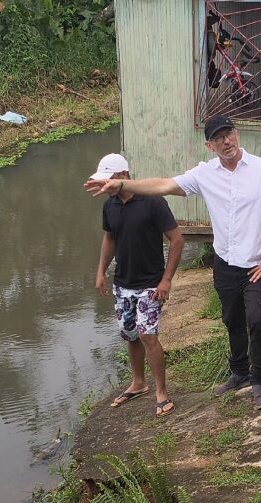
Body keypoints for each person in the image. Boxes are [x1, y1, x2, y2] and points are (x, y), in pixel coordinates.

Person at [85, 116, 261, 410]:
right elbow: (163, 185)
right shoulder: (204, 174)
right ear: (210, 145)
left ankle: (259, 380)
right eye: (219, 138)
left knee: (258, 318)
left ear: (237, 135)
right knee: (231, 319)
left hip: (256, 264)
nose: (227, 141)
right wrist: (122, 183)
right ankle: (239, 373)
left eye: (230, 134)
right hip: (224, 262)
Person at [90, 153, 185, 417]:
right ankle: (138, 383)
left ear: (123, 177)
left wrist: (166, 280)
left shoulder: (153, 201)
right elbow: (109, 238)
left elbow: (177, 240)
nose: (104, 186)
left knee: (148, 335)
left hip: (150, 284)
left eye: (108, 180)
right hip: (123, 283)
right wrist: (101, 272)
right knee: (130, 334)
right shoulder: (110, 205)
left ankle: (161, 392)